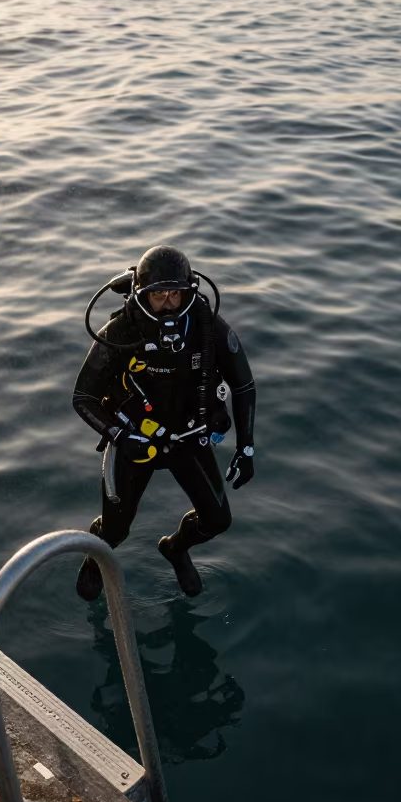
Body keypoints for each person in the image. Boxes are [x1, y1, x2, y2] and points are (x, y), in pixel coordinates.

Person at [72, 245, 256, 599]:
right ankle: (95, 559)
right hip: (135, 437)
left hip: (188, 435)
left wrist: (247, 446)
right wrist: (119, 435)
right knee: (115, 530)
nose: (168, 304)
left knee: (218, 521)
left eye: (176, 294)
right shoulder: (120, 331)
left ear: (191, 291)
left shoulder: (209, 328)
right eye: (158, 296)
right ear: (141, 295)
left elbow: (244, 385)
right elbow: (83, 397)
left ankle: (175, 548)